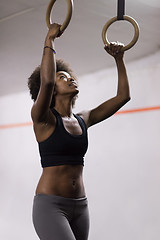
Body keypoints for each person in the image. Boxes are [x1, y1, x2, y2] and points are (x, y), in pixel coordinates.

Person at [28, 23, 130, 240]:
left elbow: (123, 97)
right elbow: (46, 82)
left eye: (70, 76)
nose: (70, 78)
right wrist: (50, 40)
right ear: (53, 90)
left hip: (80, 207)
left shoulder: (84, 118)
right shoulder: (43, 119)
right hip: (50, 206)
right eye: (62, 77)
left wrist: (119, 59)